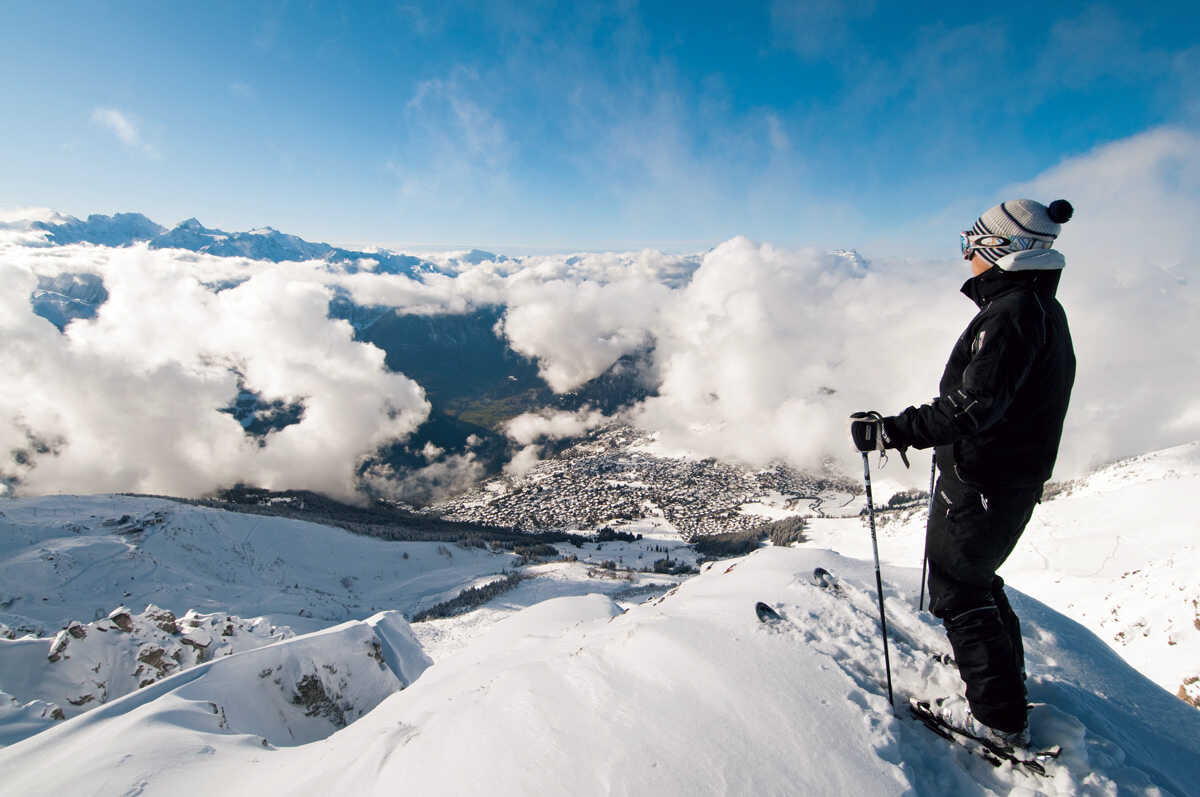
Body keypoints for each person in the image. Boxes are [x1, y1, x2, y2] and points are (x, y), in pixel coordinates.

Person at [849, 198, 1076, 749]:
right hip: (999, 477)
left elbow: (974, 406)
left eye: (971, 244)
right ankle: (1002, 687)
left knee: (958, 590)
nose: (967, 255)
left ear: (1001, 249)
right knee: (974, 582)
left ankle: (997, 719)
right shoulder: (1036, 307)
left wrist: (891, 431)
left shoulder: (1014, 313)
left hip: (985, 481)